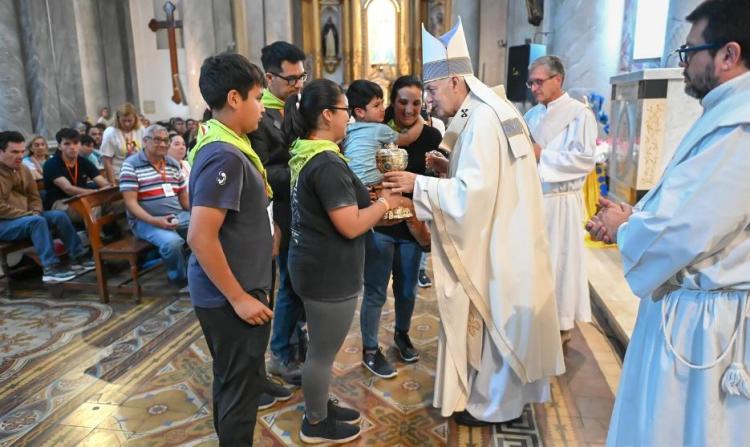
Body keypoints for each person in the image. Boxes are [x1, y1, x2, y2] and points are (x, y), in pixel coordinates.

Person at [383, 18, 564, 426]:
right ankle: (495, 399)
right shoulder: (491, 109)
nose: (427, 102)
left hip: (498, 244)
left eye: (430, 90)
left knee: (494, 322)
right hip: (507, 235)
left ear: (455, 82)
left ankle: (494, 406)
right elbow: (492, 179)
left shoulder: (482, 119)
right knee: (498, 323)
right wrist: (451, 165)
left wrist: (417, 185)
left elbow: (474, 196)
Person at [586, 1, 750, 445]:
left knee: (682, 428)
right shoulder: (727, 112)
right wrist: (636, 219)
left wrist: (625, 228)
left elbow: (686, 232)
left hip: (705, 326)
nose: (682, 63)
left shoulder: (740, 125)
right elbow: (699, 211)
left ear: (728, 56)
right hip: (695, 305)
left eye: (690, 51)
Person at [285, 79, 404, 443]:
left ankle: (319, 405)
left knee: (322, 348)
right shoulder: (325, 163)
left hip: (312, 263)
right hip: (326, 272)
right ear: (326, 115)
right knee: (321, 353)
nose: (347, 121)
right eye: (342, 112)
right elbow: (350, 225)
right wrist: (387, 203)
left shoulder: (310, 153)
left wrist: (369, 196)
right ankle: (315, 424)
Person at [186, 53, 274, 445]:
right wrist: (239, 298)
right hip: (228, 295)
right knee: (241, 391)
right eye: (258, 97)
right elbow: (200, 236)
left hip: (235, 284)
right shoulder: (224, 154)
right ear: (235, 98)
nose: (263, 106)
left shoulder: (229, 144)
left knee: (233, 380)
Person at [351, 76, 439, 379]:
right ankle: (371, 350)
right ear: (391, 101)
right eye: (402, 101)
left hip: (412, 225)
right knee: (375, 290)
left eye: (416, 103)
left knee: (407, 290)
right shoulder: (378, 129)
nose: (409, 108)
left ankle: (402, 334)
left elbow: (437, 181)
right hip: (379, 223)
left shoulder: (430, 135)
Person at [523, 55, 597, 344]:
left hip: (561, 202)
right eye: (530, 83)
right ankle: (534, 319)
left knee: (560, 262)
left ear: (559, 80)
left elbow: (584, 160)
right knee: (535, 264)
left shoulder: (580, 115)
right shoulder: (531, 116)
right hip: (533, 201)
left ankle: (562, 325)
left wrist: (543, 156)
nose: (533, 88)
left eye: (539, 82)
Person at [250, 41, 308, 385]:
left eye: (302, 76)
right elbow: (261, 172)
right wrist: (304, 168)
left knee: (300, 283)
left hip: (301, 212)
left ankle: (297, 342)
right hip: (279, 214)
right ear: (270, 77)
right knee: (287, 285)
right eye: (291, 79)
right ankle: (281, 354)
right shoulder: (258, 117)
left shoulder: (295, 107)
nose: (299, 84)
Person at [0, 131, 94, 282]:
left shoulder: (23, 169)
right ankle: (50, 268)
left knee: (59, 216)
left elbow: (34, 196)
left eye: (22, 151)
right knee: (37, 222)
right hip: (4, 222)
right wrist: (29, 214)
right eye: (14, 152)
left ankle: (78, 255)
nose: (19, 156)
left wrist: (36, 210)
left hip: (28, 215)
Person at [120, 124, 189, 291]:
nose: (163, 144)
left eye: (166, 140)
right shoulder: (131, 165)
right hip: (145, 221)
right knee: (172, 243)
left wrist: (198, 213)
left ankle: (201, 271)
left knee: (207, 225)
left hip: (177, 214)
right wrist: (154, 220)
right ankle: (179, 279)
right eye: (157, 140)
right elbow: (130, 203)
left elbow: (183, 197)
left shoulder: (172, 163)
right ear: (145, 141)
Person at [343, 79, 423, 186]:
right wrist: (420, 122)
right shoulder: (379, 129)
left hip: (352, 183)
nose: (382, 109)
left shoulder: (348, 129)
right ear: (360, 112)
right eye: (376, 106)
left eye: (382, 104)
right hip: (374, 182)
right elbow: (407, 138)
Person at [42, 128, 110, 224]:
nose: (72, 147)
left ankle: (127, 234)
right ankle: (97, 238)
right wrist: (94, 193)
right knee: (92, 207)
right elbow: (68, 189)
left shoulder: (83, 161)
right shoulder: (51, 164)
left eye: (75, 143)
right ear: (59, 146)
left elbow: (102, 182)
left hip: (85, 197)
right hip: (61, 202)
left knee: (118, 202)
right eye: (67, 144)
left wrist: (110, 189)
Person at [101, 102, 144, 184]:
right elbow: (107, 160)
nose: (127, 124)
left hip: (139, 174)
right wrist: (112, 183)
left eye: (130, 121)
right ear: (118, 119)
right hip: (119, 175)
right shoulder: (110, 132)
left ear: (135, 118)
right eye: (124, 121)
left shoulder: (141, 130)